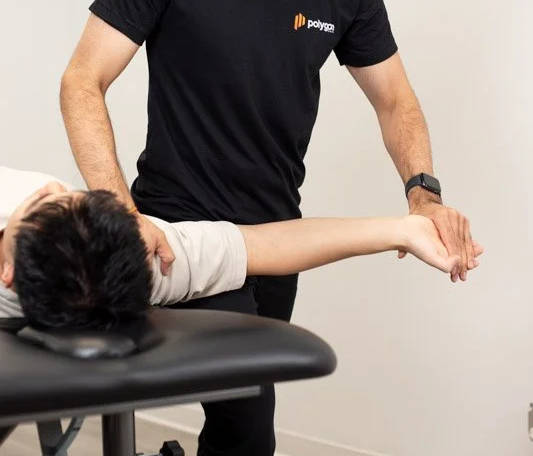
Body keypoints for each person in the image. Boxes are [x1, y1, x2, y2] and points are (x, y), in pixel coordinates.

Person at [59, 0, 483, 456]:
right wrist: (118, 212)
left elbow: (395, 101)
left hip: (277, 240)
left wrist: (423, 195)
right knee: (249, 422)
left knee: (238, 433)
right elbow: (82, 80)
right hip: (178, 232)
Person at [0, 164, 475, 326]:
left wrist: (401, 230)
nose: (52, 185)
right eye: (45, 201)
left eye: (68, 195)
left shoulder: (131, 261)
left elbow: (264, 244)